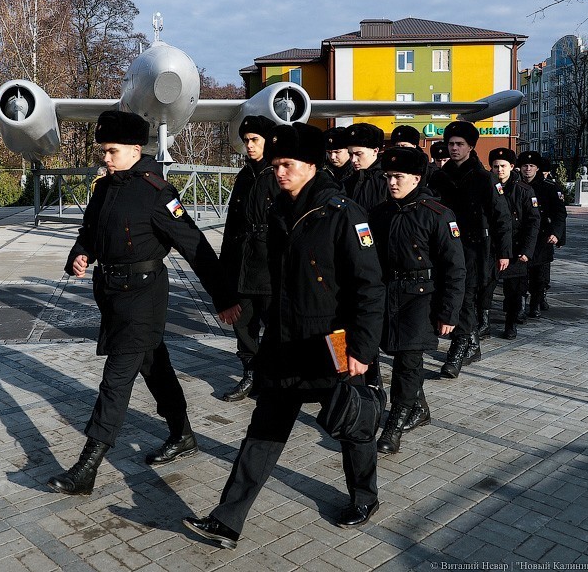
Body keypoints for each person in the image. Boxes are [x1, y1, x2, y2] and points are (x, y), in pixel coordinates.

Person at [182, 122, 385, 549]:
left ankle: (364, 497)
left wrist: (362, 349)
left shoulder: (343, 214)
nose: (279, 172)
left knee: (351, 423)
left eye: (287, 164)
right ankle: (227, 520)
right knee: (263, 431)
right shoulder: (279, 211)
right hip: (285, 341)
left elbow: (369, 287)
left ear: (311, 165)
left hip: (334, 341)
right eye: (275, 165)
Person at [48, 110, 241, 497]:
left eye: (112, 151)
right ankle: (182, 434)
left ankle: (86, 468)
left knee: (116, 380)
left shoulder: (157, 192)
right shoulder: (104, 188)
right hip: (112, 294)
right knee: (155, 366)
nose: (105, 157)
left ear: (136, 150)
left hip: (145, 295)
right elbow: (90, 230)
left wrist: (222, 296)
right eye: (104, 150)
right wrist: (79, 253)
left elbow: (194, 245)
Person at [368, 147, 465, 454]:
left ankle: (394, 425)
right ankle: (419, 407)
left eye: (398, 177)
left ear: (416, 178)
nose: (392, 183)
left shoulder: (437, 214)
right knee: (391, 354)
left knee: (408, 362)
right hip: (387, 294)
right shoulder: (380, 213)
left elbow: (455, 267)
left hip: (421, 297)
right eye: (388, 177)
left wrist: (449, 313)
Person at [426, 121, 511, 378]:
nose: (454, 148)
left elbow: (501, 216)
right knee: (450, 295)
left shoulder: (485, 178)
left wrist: (504, 252)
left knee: (464, 298)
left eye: (459, 144)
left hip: (474, 248)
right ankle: (471, 342)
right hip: (444, 247)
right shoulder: (439, 176)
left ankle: (458, 348)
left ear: (470, 147)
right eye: (450, 144)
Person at [219, 115, 278, 402]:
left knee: (275, 322)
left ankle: (274, 375)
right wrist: (225, 264)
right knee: (243, 324)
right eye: (246, 141)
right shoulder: (245, 175)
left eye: (255, 140)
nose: (249, 146)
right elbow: (232, 222)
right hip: (243, 259)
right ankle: (250, 373)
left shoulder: (278, 173)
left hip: (269, 262)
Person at [489, 148, 540, 339]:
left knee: (514, 291)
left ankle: (510, 324)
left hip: (516, 248)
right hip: (492, 247)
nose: (499, 170)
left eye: (503, 166)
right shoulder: (487, 187)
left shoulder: (524, 190)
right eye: (495, 166)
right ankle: (483, 322)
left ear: (511, 167)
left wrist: (527, 250)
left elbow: (533, 222)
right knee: (485, 288)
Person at [518, 151, 567, 318]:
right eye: (525, 166)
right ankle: (520, 306)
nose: (528, 169)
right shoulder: (515, 185)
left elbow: (560, 214)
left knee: (540, 276)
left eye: (531, 166)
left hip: (542, 237)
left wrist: (556, 233)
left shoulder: (549, 187)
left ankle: (535, 304)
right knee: (521, 275)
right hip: (521, 236)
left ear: (537, 168)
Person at [343, 122, 389, 212]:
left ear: (375, 151)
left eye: (358, 154)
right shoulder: (347, 178)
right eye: (351, 154)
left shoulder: (387, 180)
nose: (353, 160)